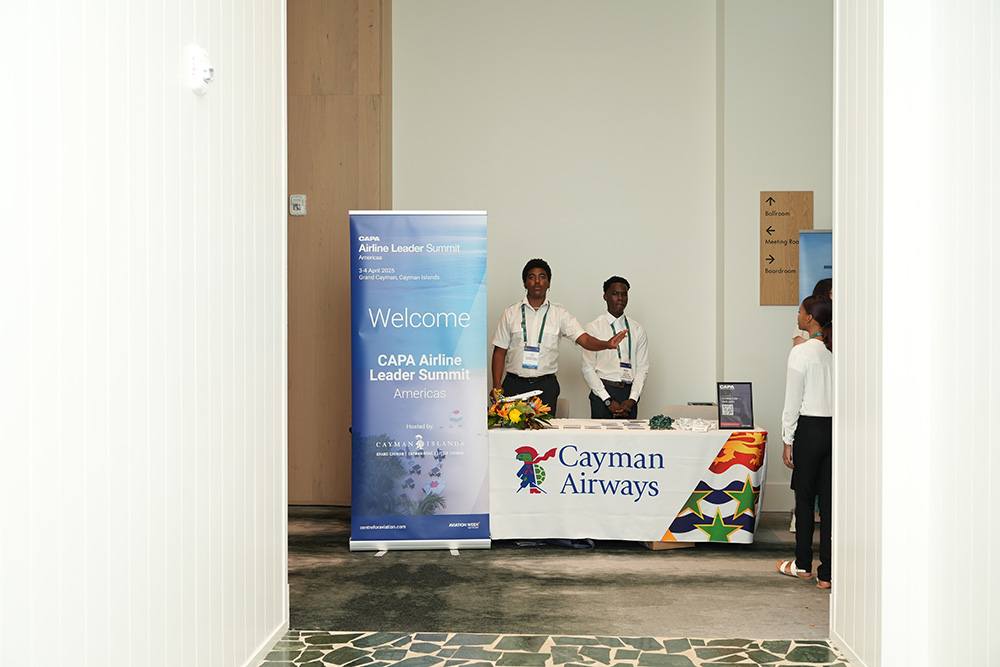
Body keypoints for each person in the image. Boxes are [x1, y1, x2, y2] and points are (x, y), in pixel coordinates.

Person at [491, 259, 628, 412]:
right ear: (525, 283)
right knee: (511, 427)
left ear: (549, 283)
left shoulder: (559, 313)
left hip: (545, 387)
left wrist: (606, 344)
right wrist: (496, 385)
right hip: (513, 385)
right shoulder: (510, 313)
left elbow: (584, 339)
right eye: (532, 277)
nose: (537, 281)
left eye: (542, 277)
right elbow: (499, 352)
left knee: (544, 428)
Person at [776, 295, 833, 590]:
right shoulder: (837, 350)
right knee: (830, 504)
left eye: (799, 312)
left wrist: (787, 439)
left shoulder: (800, 352)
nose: (797, 316)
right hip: (835, 429)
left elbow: (792, 402)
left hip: (809, 430)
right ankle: (827, 574)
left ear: (810, 318)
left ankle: (802, 565)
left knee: (805, 501)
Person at [581, 276, 649, 419]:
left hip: (628, 396)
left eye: (624, 294)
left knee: (630, 434)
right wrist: (607, 400)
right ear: (605, 296)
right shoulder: (593, 327)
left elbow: (642, 368)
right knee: (600, 435)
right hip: (602, 394)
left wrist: (633, 399)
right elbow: (588, 368)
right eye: (615, 293)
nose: (620, 298)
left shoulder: (637, 329)